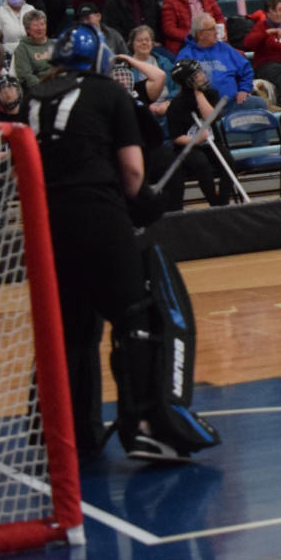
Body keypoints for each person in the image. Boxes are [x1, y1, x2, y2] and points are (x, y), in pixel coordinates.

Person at [33, 23, 219, 463]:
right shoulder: (109, 94)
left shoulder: (36, 98)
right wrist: (146, 202)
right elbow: (133, 175)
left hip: (46, 226)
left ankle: (71, 435)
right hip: (99, 217)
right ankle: (145, 429)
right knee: (136, 319)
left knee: (72, 329)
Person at [163, 57, 230, 208]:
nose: (203, 75)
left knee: (228, 160)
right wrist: (196, 140)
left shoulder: (211, 94)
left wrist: (199, 95)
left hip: (212, 141)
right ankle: (214, 202)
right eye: (197, 74)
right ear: (188, 80)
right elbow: (176, 138)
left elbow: (211, 118)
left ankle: (223, 202)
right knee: (201, 164)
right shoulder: (177, 105)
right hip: (189, 147)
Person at [175, 14, 256, 106]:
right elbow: (182, 84)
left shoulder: (225, 48)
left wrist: (244, 90)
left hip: (234, 102)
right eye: (212, 29)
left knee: (258, 103)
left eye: (216, 28)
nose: (216, 32)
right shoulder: (186, 55)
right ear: (200, 34)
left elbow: (246, 70)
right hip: (203, 107)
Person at [242, 0, 281, 103]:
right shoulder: (261, 26)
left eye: (280, 10)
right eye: (274, 11)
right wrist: (269, 32)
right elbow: (247, 43)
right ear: (267, 13)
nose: (278, 14)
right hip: (266, 65)